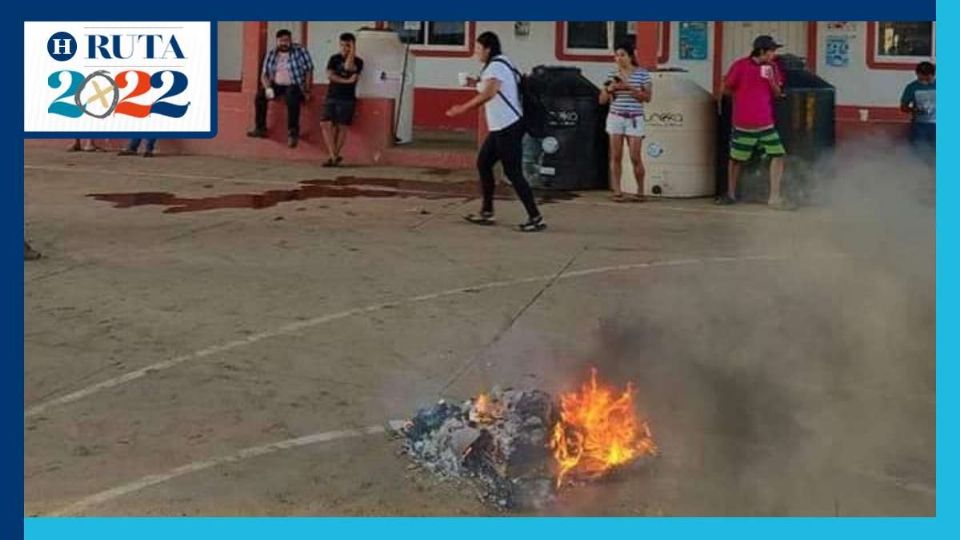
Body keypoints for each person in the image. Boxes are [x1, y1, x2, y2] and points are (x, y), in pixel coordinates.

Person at [445, 31, 546, 232]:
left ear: (488, 49)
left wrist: (462, 108)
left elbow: (490, 93)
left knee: (513, 172)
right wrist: (474, 82)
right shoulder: (500, 64)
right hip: (501, 126)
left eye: (478, 49)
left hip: (508, 126)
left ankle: (535, 216)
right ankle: (487, 211)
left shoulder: (497, 66)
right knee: (483, 163)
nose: (476, 53)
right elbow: (491, 87)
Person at [717, 35, 793, 210]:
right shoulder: (740, 65)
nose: (774, 54)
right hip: (744, 121)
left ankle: (774, 196)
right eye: (771, 50)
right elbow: (726, 88)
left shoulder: (773, 67)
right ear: (761, 51)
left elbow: (777, 93)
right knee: (736, 158)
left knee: (778, 154)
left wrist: (770, 80)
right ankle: (731, 193)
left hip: (765, 121)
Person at [599, 41, 653, 202]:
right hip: (616, 116)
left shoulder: (642, 74)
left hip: (634, 117)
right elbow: (601, 100)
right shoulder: (611, 75)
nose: (619, 58)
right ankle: (617, 190)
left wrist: (629, 87)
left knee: (635, 156)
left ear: (630, 56)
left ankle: (640, 189)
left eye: (622, 55)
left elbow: (647, 97)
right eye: (616, 55)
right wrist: (609, 89)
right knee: (615, 155)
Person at [247, 29, 314, 148]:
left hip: (294, 85)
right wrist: (268, 88)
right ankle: (260, 128)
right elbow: (264, 74)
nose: (284, 43)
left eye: (287, 40)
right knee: (260, 96)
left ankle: (293, 132)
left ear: (291, 40)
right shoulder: (272, 53)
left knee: (292, 97)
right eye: (281, 41)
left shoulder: (300, 51)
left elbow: (309, 70)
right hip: (277, 85)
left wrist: (307, 90)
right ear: (277, 41)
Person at [320, 33, 363, 167]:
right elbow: (330, 76)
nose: (344, 48)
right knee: (325, 124)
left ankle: (333, 157)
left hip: (347, 98)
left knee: (342, 127)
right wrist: (346, 80)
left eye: (348, 45)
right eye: (342, 45)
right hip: (332, 95)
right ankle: (334, 155)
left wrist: (353, 51)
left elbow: (348, 67)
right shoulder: (334, 58)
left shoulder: (359, 61)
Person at [900, 61, 936, 156]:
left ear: (932, 75)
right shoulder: (912, 87)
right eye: (921, 77)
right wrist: (914, 110)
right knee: (918, 152)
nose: (925, 80)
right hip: (919, 126)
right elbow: (903, 107)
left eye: (928, 77)